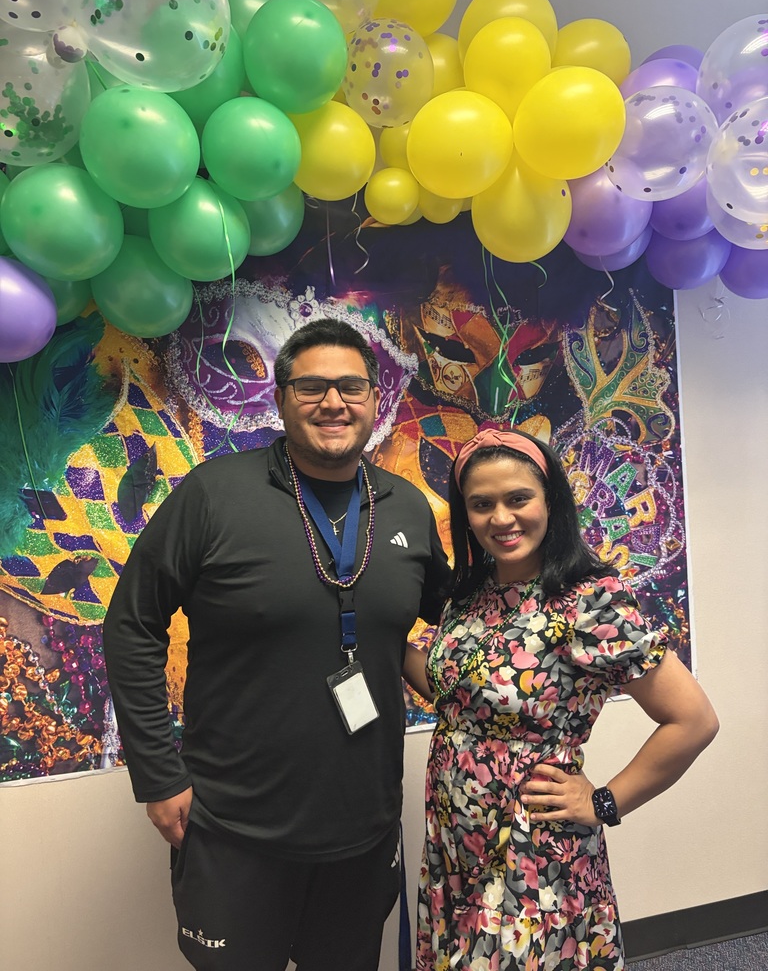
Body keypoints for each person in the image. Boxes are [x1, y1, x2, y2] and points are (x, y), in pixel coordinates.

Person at [102, 317, 450, 971]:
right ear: (281, 399)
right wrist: (156, 772)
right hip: (234, 829)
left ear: (375, 399)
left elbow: (462, 623)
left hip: (363, 826)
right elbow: (131, 625)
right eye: (311, 386)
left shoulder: (405, 509)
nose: (333, 402)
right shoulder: (214, 495)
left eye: (351, 386)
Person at [403, 427, 719, 971]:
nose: (501, 518)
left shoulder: (589, 601)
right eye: (482, 505)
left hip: (532, 845)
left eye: (518, 498)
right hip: (455, 842)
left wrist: (604, 802)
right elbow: (457, 694)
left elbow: (692, 720)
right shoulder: (470, 596)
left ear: (550, 500)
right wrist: (376, 634)